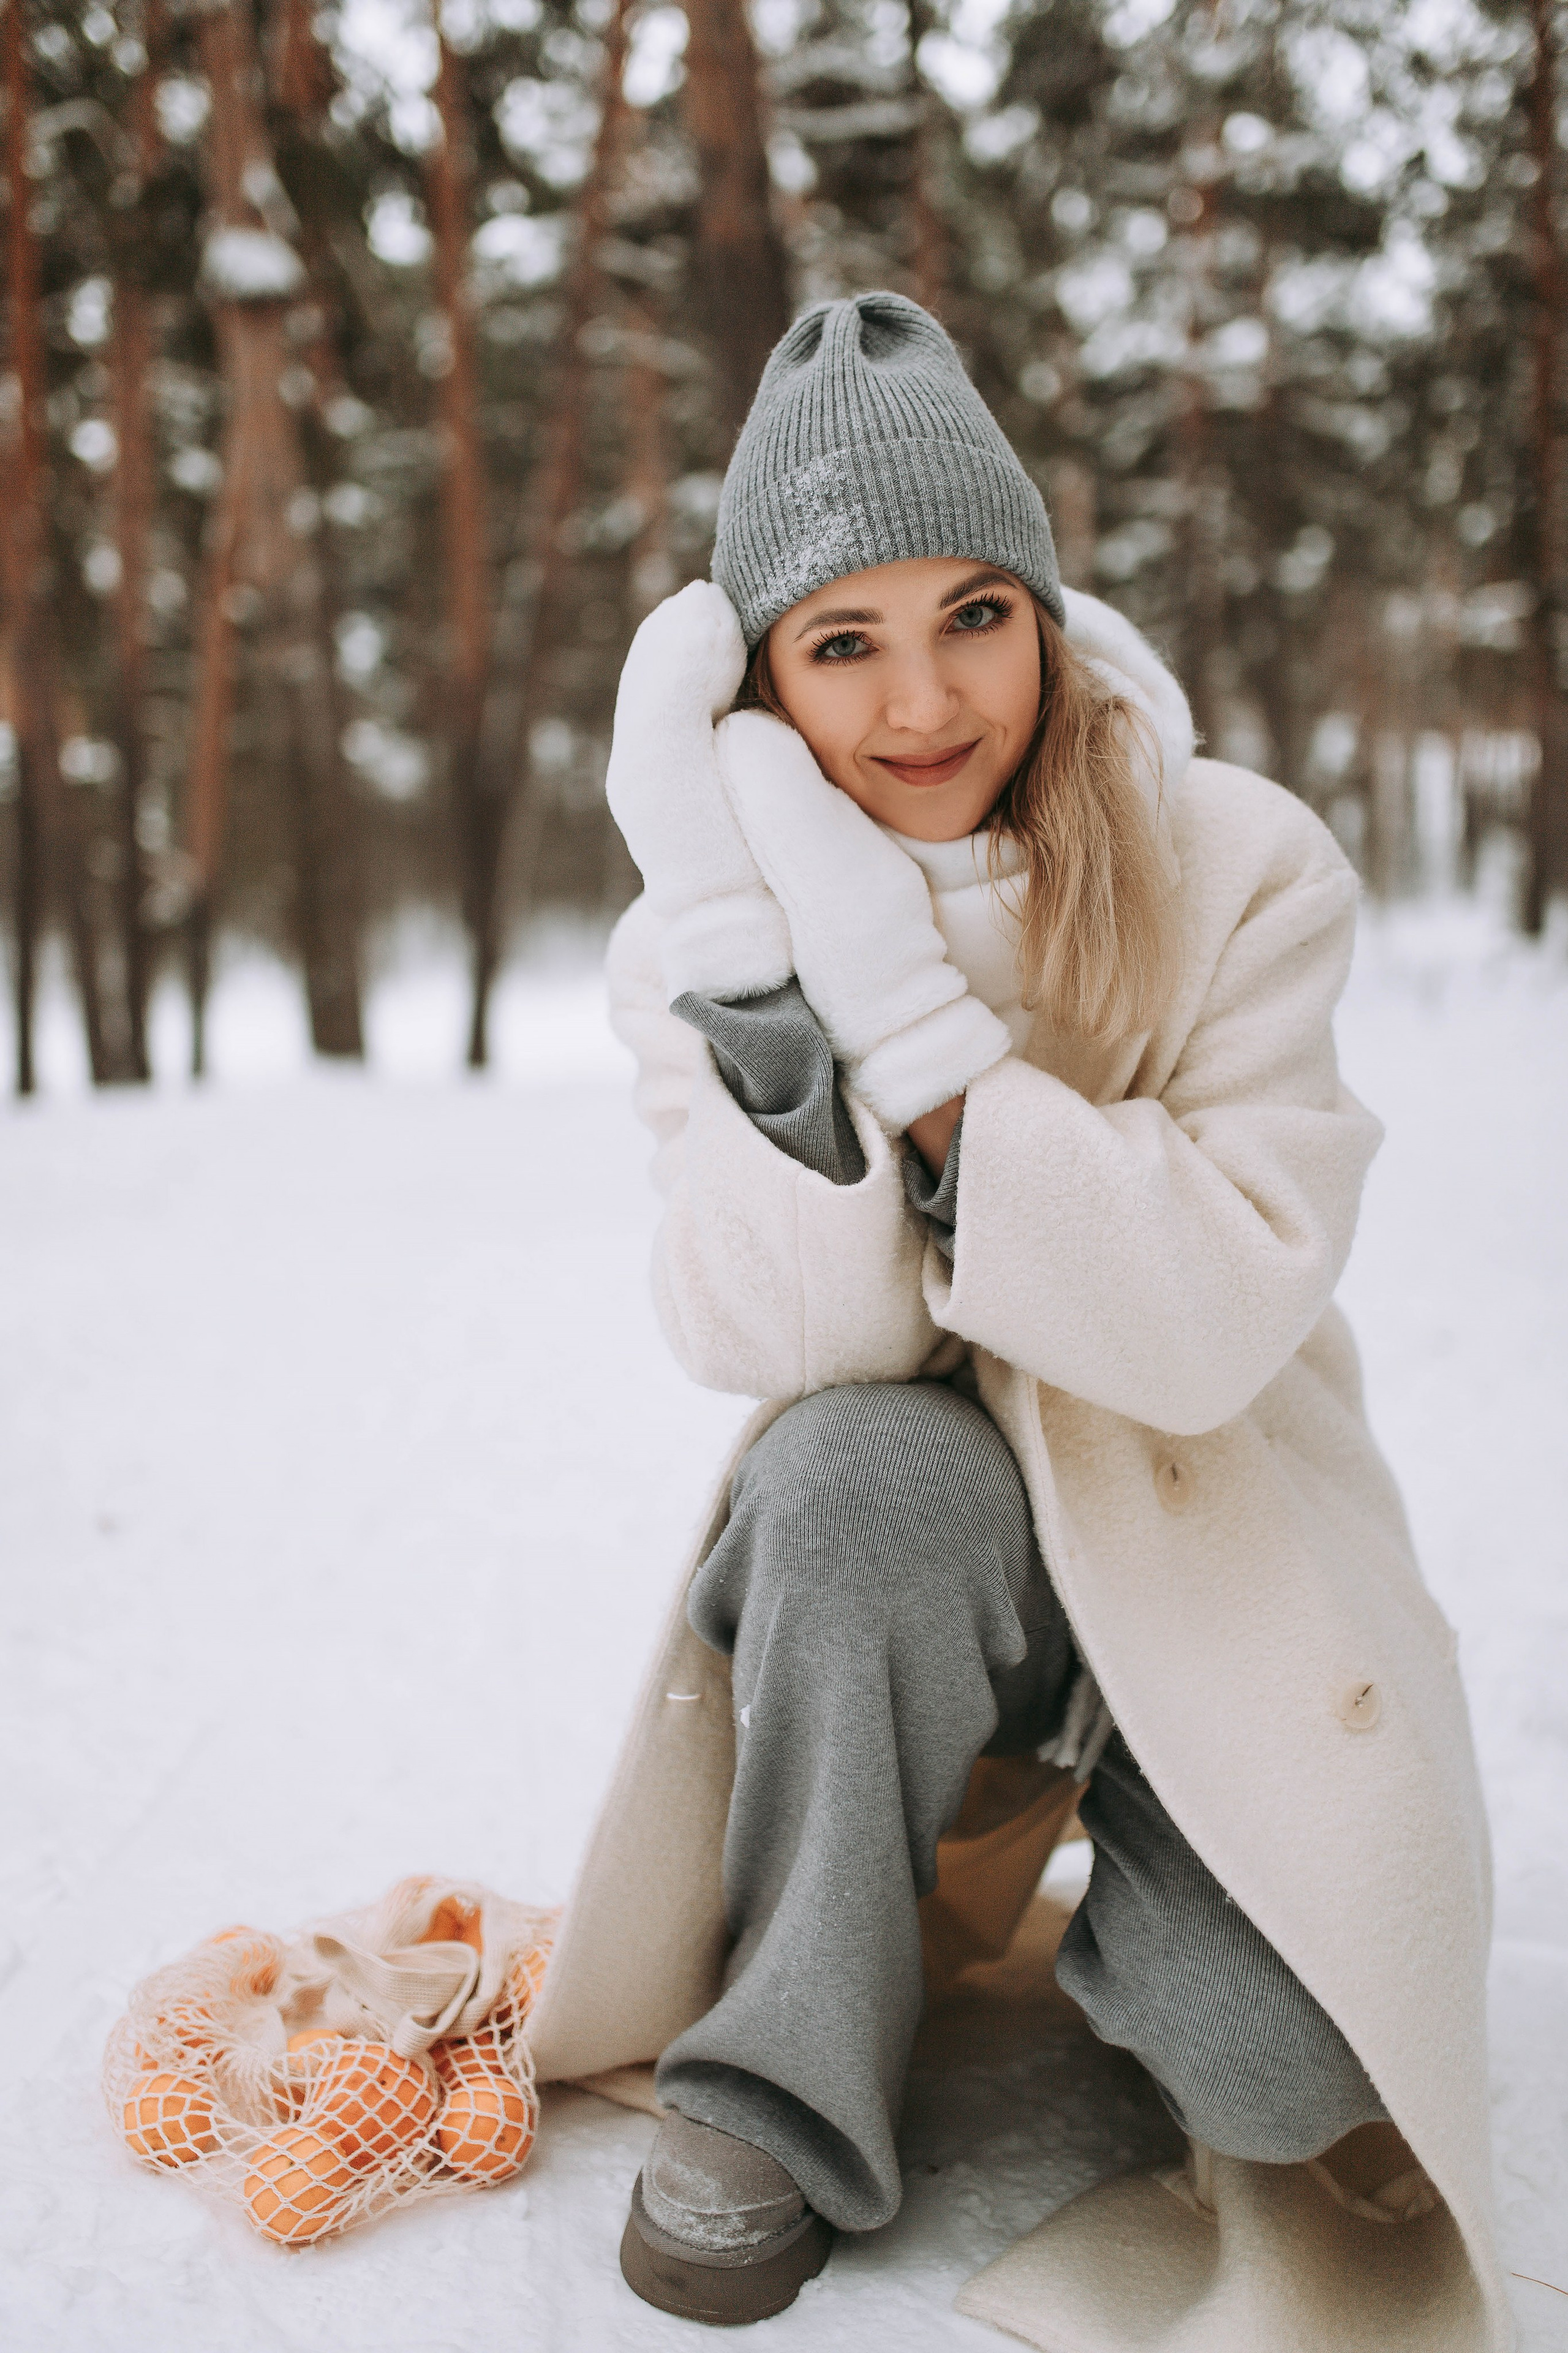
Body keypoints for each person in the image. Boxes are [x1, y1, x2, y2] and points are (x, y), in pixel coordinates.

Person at [523, 293, 1507, 2352]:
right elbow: (796, 1344)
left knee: (1279, 2073)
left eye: (973, 612)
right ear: (765, 692)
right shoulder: (696, 952)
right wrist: (758, 961)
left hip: (1214, 1520)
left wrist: (937, 1052)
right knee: (841, 1475)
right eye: (843, 642)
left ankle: (1156, 1913)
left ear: (1046, 610)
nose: (921, 700)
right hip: (924, 1534)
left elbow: (1217, 1308)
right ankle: (786, 2071)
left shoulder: (1240, 865)